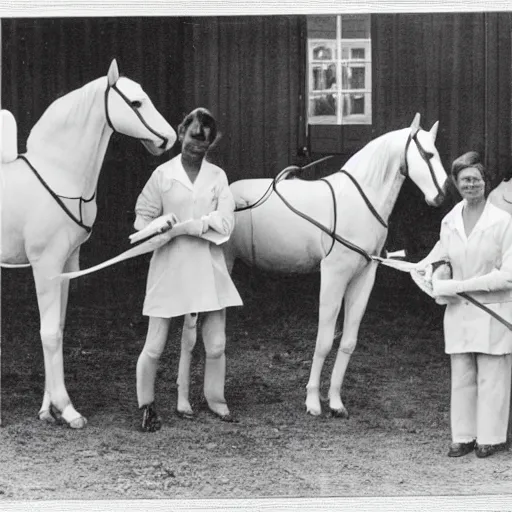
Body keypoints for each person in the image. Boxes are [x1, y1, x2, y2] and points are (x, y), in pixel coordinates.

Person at [133, 107, 243, 432]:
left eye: (203, 145)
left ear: (210, 145)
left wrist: (193, 226)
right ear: (181, 133)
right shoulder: (163, 175)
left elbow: (225, 223)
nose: (196, 148)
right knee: (154, 344)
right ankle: (146, 405)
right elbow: (141, 217)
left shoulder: (218, 177)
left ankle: (215, 398)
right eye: (192, 140)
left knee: (218, 342)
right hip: (170, 267)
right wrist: (157, 224)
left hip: (208, 268)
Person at [415, 151, 512, 458]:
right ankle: (463, 436)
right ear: (456, 184)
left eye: (476, 179)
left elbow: (508, 277)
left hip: (494, 310)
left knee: (492, 375)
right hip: (458, 312)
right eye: (464, 180)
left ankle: (491, 437)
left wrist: (457, 286)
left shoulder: (504, 222)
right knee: (462, 375)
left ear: (486, 182)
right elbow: (441, 256)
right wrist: (436, 271)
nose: (471, 185)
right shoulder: (450, 219)